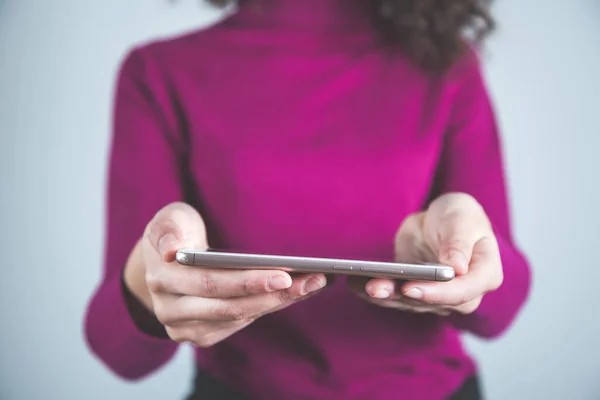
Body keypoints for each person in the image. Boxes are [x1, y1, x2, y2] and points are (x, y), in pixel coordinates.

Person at [84, 0, 532, 398]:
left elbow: (500, 311)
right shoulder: (159, 71)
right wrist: (152, 275)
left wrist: (468, 255)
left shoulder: (447, 65)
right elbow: (118, 350)